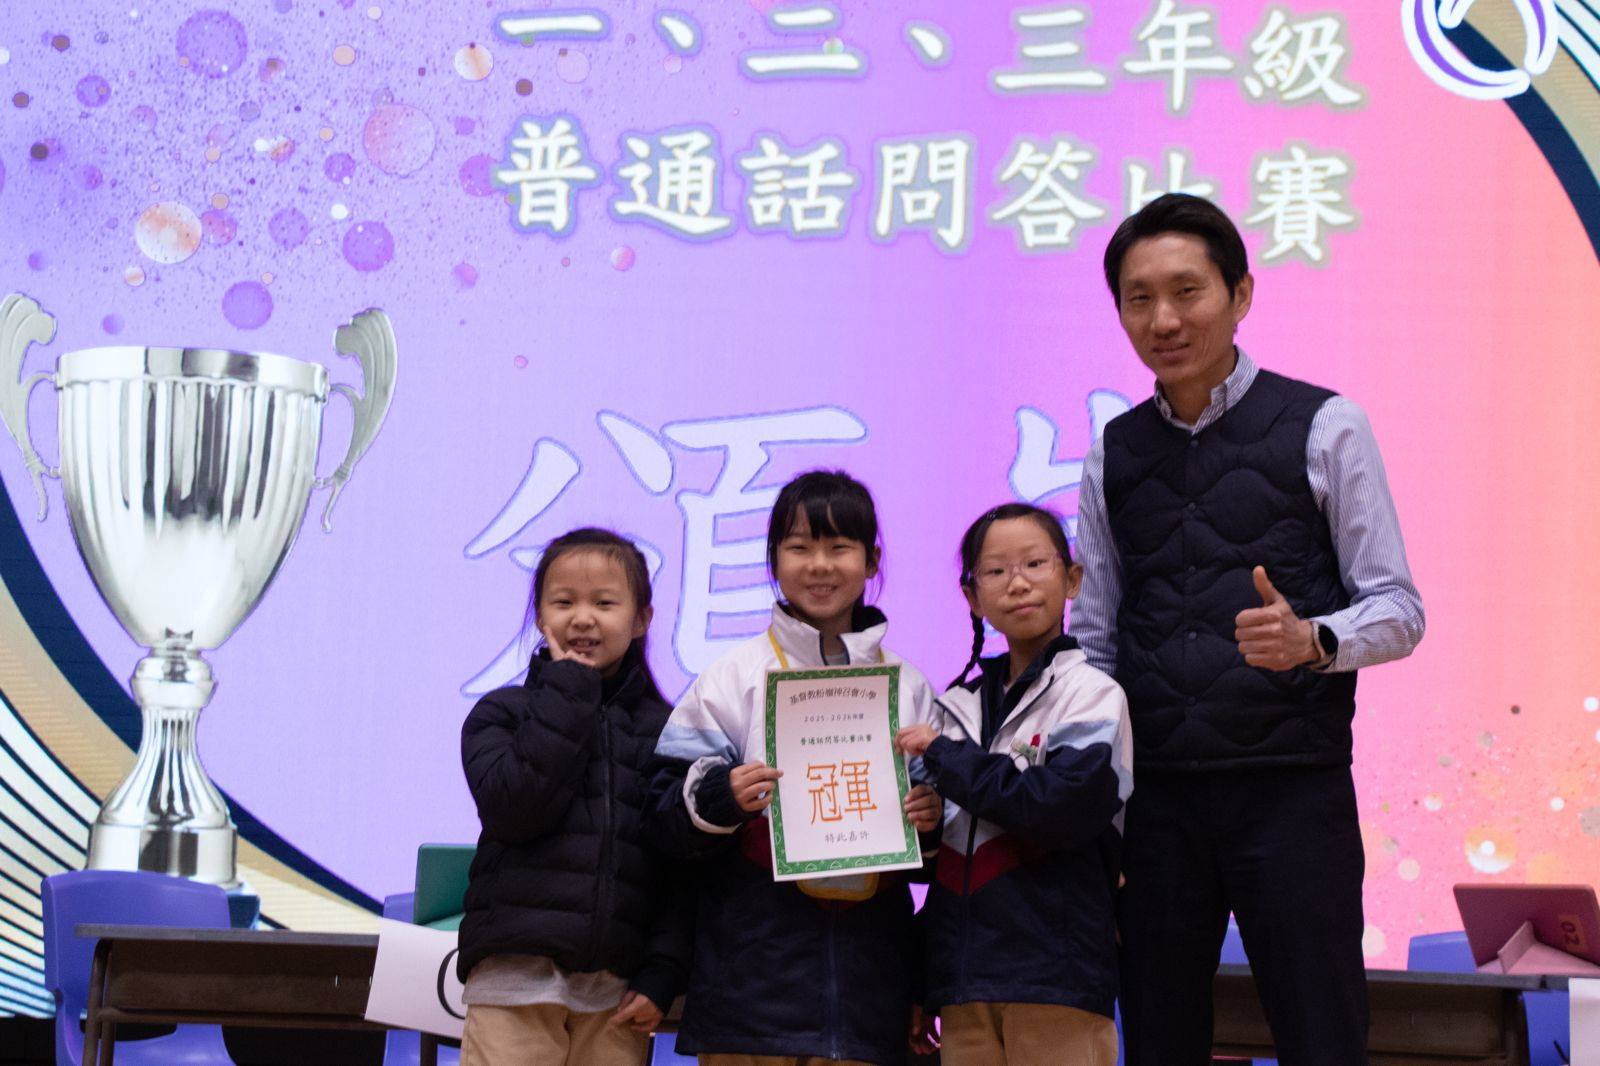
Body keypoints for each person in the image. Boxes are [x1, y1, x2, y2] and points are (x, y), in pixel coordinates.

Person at [1071, 192, 1425, 1065]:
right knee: (1159, 1039)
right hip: (1156, 804)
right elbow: (1096, 638)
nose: (1164, 319)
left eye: (1187, 291)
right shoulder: (1112, 449)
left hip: (1291, 794)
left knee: (1321, 1037)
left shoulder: (1326, 424)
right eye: (1139, 298)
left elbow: (1398, 607)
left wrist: (1315, 641)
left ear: (1241, 295)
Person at [650, 469, 941, 1066]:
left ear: (871, 560)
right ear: (774, 560)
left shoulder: (908, 686)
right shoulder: (731, 677)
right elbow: (661, 813)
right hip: (750, 995)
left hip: (869, 997)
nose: (820, 566)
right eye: (800, 547)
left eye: (840, 547)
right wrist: (723, 798)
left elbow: (938, 845)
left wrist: (930, 821)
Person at [895, 503, 1132, 1066]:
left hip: (1057, 981)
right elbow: (937, 863)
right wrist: (924, 824)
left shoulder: (1094, 695)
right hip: (964, 986)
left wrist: (946, 757)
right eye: (996, 571)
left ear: (1072, 580)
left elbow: (1057, 809)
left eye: (1034, 564)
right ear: (972, 596)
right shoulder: (954, 708)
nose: (1017, 583)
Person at [457, 528, 689, 1066]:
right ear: (541, 616)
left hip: (616, 998)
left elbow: (678, 867)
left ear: (641, 619)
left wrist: (661, 974)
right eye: (564, 603)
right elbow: (515, 810)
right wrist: (569, 689)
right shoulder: (501, 714)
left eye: (604, 603)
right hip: (513, 984)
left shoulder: (669, 730)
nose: (583, 619)